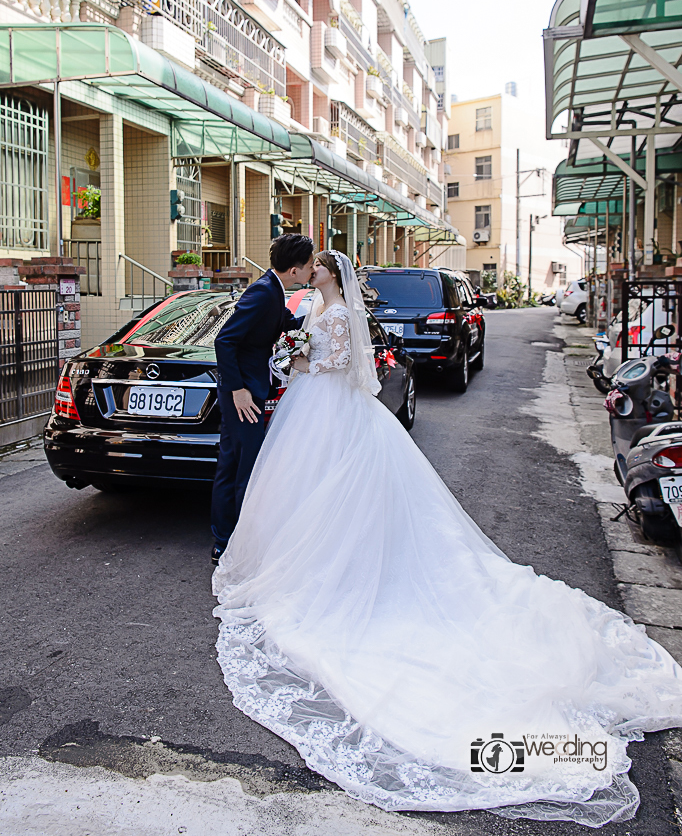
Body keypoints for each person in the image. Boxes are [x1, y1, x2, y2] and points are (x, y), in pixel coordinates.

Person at [212, 250, 682, 826]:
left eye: (317, 267)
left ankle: (332, 570)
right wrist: (296, 355)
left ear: (329, 275)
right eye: (308, 266)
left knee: (326, 489)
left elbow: (336, 363)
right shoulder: (311, 303)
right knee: (307, 490)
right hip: (313, 407)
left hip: (324, 404)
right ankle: (316, 559)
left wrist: (302, 361)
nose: (310, 271)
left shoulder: (332, 313)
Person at [210, 233, 313, 564]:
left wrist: (323, 319)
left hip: (248, 391)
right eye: (310, 265)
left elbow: (286, 326)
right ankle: (232, 545)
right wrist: (237, 389)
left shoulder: (274, 291)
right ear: (295, 269)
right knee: (245, 468)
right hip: (243, 395)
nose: (312, 270)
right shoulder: (262, 292)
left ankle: (226, 540)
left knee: (234, 464)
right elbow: (224, 341)